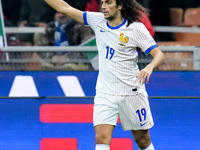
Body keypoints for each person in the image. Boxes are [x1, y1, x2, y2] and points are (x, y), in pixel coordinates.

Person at [44, 0, 165, 150]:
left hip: (131, 92)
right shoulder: (97, 20)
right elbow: (65, 8)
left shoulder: (136, 28)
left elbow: (158, 54)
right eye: (102, 3)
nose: (103, 7)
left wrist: (149, 67)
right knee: (101, 138)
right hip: (105, 92)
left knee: (142, 141)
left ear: (120, 5)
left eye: (108, 3)